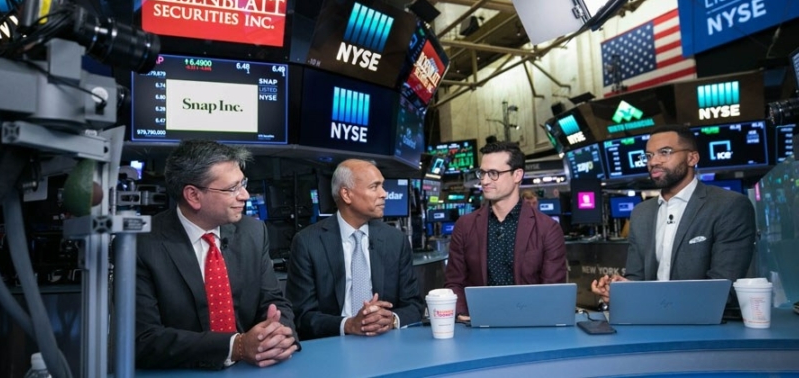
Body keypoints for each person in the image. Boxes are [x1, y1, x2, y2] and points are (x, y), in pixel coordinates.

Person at [135, 140, 298, 369]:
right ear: (193, 196)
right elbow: (143, 340)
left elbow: (274, 302)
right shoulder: (141, 244)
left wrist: (278, 334)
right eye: (232, 188)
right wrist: (236, 346)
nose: (245, 195)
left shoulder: (253, 232)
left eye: (243, 184)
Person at [591, 125, 756, 304]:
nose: (653, 162)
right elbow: (636, 279)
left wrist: (655, 300)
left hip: (706, 324)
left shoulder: (728, 206)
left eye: (665, 152)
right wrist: (622, 290)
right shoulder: (641, 213)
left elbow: (724, 288)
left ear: (692, 158)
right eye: (649, 155)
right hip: (651, 321)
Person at [285, 159, 425, 340]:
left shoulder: (395, 241)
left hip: (386, 343)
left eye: (382, 186)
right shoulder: (308, 242)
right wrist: (349, 325)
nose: (384, 194)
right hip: (333, 346)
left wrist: (391, 320)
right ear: (346, 194)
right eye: (375, 187)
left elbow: (414, 305)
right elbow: (302, 316)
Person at [444, 141, 567, 321]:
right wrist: (462, 313)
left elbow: (552, 291)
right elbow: (454, 282)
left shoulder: (547, 229)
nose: (485, 181)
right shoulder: (465, 226)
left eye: (493, 174)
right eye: (483, 173)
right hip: (477, 328)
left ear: (517, 175)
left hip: (530, 325)